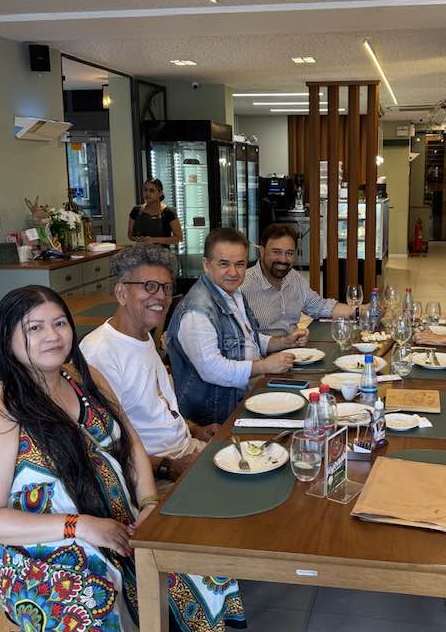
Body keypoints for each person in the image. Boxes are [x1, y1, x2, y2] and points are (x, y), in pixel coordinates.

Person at [0, 286, 244, 632]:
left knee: (198, 562)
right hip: (44, 557)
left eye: (59, 323)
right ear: (7, 339)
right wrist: (81, 527)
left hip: (118, 525)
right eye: (34, 328)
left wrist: (149, 504)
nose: (52, 335)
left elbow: (130, 444)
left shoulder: (81, 377)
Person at [80, 244, 217, 484]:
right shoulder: (99, 353)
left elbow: (154, 410)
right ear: (121, 293)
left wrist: (195, 429)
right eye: (149, 286)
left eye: (166, 287)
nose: (161, 296)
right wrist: (167, 468)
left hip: (185, 450)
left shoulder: (143, 336)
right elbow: (97, 447)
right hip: (151, 476)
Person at [167, 227, 307, 424]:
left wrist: (283, 342)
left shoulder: (232, 293)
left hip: (248, 393)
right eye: (224, 264)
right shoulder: (197, 311)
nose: (233, 272)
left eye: (240, 264)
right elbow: (212, 370)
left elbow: (244, 338)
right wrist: (263, 366)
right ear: (206, 265)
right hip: (218, 417)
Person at [242, 223, 358, 336]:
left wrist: (359, 311)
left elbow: (320, 306)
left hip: (295, 347)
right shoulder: (243, 285)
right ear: (262, 251)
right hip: (263, 349)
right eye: (276, 252)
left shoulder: (294, 278)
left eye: (289, 253)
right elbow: (241, 338)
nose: (283, 259)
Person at [128, 177, 183, 246]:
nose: (147, 193)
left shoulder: (168, 212)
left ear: (160, 193)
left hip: (162, 251)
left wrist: (153, 240)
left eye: (151, 190)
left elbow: (178, 238)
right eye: (145, 190)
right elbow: (130, 234)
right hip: (141, 249)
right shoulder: (136, 210)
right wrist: (136, 238)